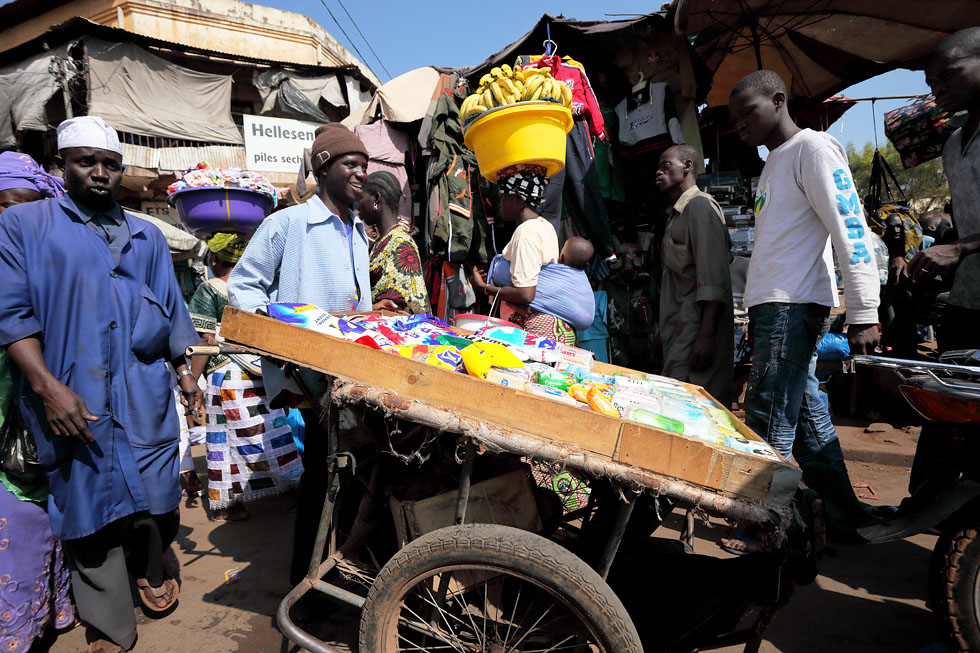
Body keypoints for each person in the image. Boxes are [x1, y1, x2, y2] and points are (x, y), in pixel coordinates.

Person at [0, 116, 202, 653]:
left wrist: (185, 374)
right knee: (87, 508)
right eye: (86, 161)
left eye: (110, 164)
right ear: (60, 166)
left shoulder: (148, 235)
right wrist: (47, 387)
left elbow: (173, 311)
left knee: (156, 493)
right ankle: (110, 623)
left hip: (142, 391)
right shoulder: (25, 227)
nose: (99, 173)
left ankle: (153, 567)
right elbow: (12, 316)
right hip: (72, 393)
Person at [728, 71, 880, 537]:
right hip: (775, 307)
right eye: (734, 120)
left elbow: (850, 229)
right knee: (809, 421)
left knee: (768, 417)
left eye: (748, 113)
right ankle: (845, 518)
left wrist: (864, 310)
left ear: (778, 101)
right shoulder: (775, 161)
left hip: (793, 305)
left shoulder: (813, 149)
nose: (740, 126)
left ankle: (763, 527)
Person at [227, 123, 375, 585]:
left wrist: (375, 314)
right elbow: (242, 288)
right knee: (322, 477)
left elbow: (354, 308)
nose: (361, 175)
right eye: (351, 165)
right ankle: (306, 583)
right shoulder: (287, 224)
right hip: (308, 376)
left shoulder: (359, 233)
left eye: (365, 167)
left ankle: (336, 568)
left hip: (353, 372)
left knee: (348, 475)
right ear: (323, 167)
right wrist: (282, 342)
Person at [0, 152, 74, 653]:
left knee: (36, 519)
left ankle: (37, 620)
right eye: (2, 207)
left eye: (23, 207)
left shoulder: (55, 268)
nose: (11, 220)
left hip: (35, 423)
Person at [188, 233, 303, 522]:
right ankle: (298, 491)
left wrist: (191, 379)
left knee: (225, 442)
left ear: (214, 259)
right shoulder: (255, 290)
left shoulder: (210, 289)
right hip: (261, 372)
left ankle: (232, 505)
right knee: (272, 433)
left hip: (226, 376)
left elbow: (207, 340)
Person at [912, 27, 980, 352]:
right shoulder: (952, 145)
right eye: (931, 84)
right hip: (968, 298)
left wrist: (958, 249)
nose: (938, 90)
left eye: (949, 76)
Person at [470, 168, 591, 344]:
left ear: (518, 199)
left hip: (536, 329)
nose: (499, 203)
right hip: (553, 326)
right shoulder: (545, 225)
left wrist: (483, 288)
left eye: (504, 197)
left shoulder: (525, 234)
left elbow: (526, 294)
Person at [654, 144, 734, 408]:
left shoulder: (700, 208)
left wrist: (706, 337)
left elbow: (713, 281)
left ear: (687, 167)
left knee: (694, 406)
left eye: (666, 166)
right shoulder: (676, 216)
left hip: (695, 333)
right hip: (677, 331)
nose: (659, 172)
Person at [358, 171, 429, 314]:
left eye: (361, 197)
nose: (358, 205)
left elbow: (411, 305)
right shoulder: (382, 241)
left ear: (376, 199)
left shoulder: (401, 244)